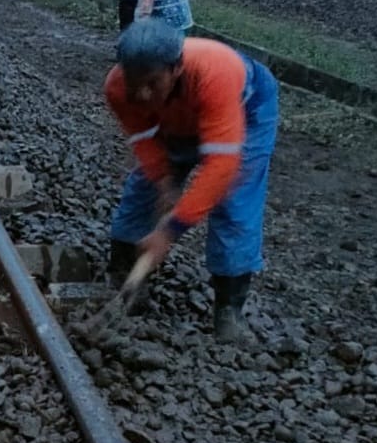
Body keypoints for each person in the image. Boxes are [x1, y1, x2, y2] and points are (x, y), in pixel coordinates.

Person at [104, 18, 279, 341]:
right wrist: (164, 180)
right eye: (134, 82)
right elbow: (144, 140)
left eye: (153, 82)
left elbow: (220, 169)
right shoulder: (117, 88)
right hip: (180, 112)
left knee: (233, 202)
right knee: (143, 185)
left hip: (244, 109)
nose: (141, 93)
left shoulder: (216, 74)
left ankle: (229, 310)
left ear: (176, 69)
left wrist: (169, 231)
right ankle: (124, 280)